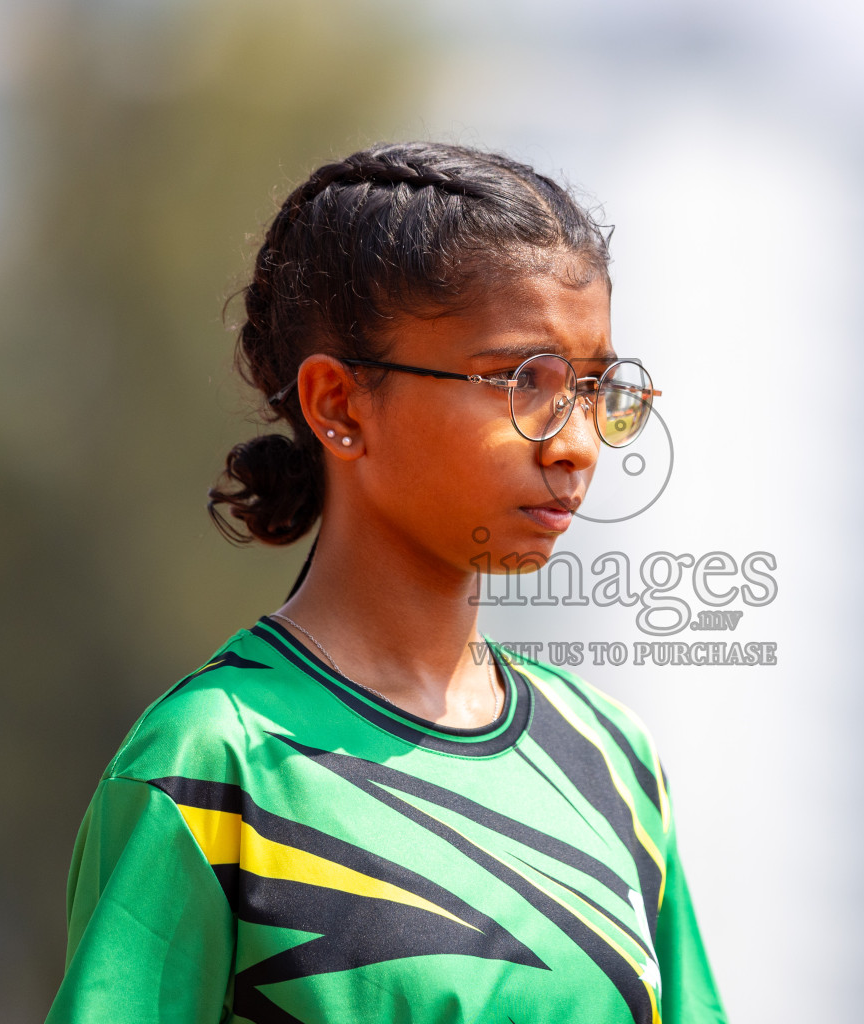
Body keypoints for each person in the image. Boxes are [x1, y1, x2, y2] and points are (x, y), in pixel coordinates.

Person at [43, 141, 726, 1024]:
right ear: (338, 404)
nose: (577, 444)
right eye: (525, 382)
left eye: (596, 390)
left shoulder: (615, 765)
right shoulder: (212, 768)